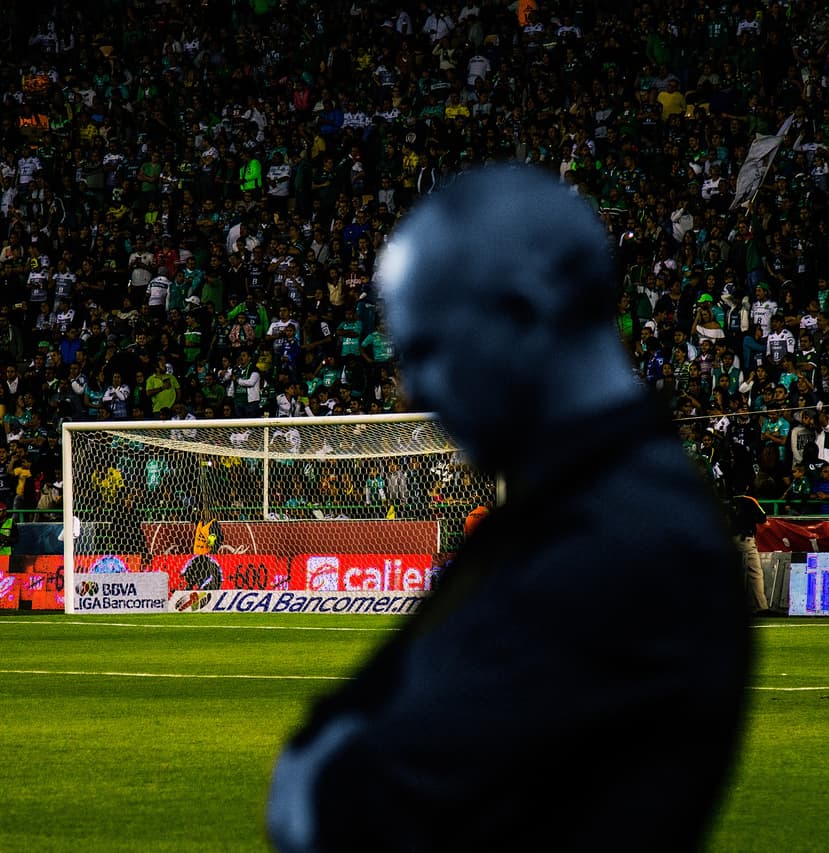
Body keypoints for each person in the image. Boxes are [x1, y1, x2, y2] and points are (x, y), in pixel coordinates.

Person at [268, 166, 751, 851]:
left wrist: (322, 768)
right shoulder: (578, 500)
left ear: (524, 311)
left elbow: (334, 807)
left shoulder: (618, 543)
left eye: (427, 348)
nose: (411, 392)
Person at [729, 490, 770, 615]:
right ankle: (761, 607)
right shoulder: (749, 500)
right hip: (744, 539)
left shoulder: (719, 497)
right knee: (754, 572)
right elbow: (764, 520)